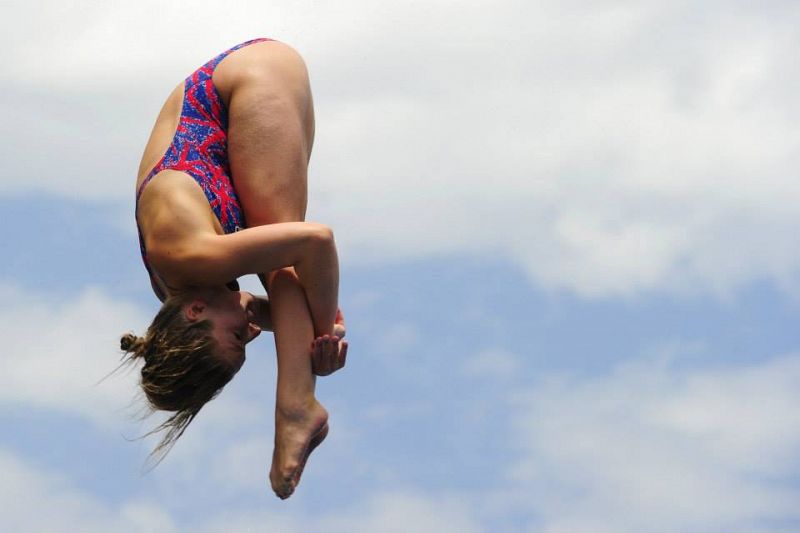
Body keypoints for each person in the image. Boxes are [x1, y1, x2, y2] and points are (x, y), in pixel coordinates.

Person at [119, 38, 347, 499]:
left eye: (236, 337)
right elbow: (268, 307)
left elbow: (316, 243)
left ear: (196, 313)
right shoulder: (185, 290)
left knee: (284, 260)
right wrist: (315, 343)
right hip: (240, 97)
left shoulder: (189, 256)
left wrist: (323, 326)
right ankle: (297, 403)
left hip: (244, 81)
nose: (250, 329)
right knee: (281, 272)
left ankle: (296, 407)